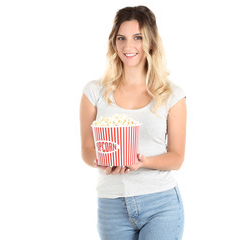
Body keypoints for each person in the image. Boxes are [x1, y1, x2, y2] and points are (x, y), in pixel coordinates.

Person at [80, 5, 186, 240]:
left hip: (161, 203)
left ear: (150, 43)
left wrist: (143, 161)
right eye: (122, 38)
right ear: (113, 43)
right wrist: (102, 161)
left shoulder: (172, 95)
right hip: (111, 205)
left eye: (138, 37)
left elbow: (176, 157)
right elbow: (87, 149)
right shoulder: (94, 92)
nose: (128, 46)